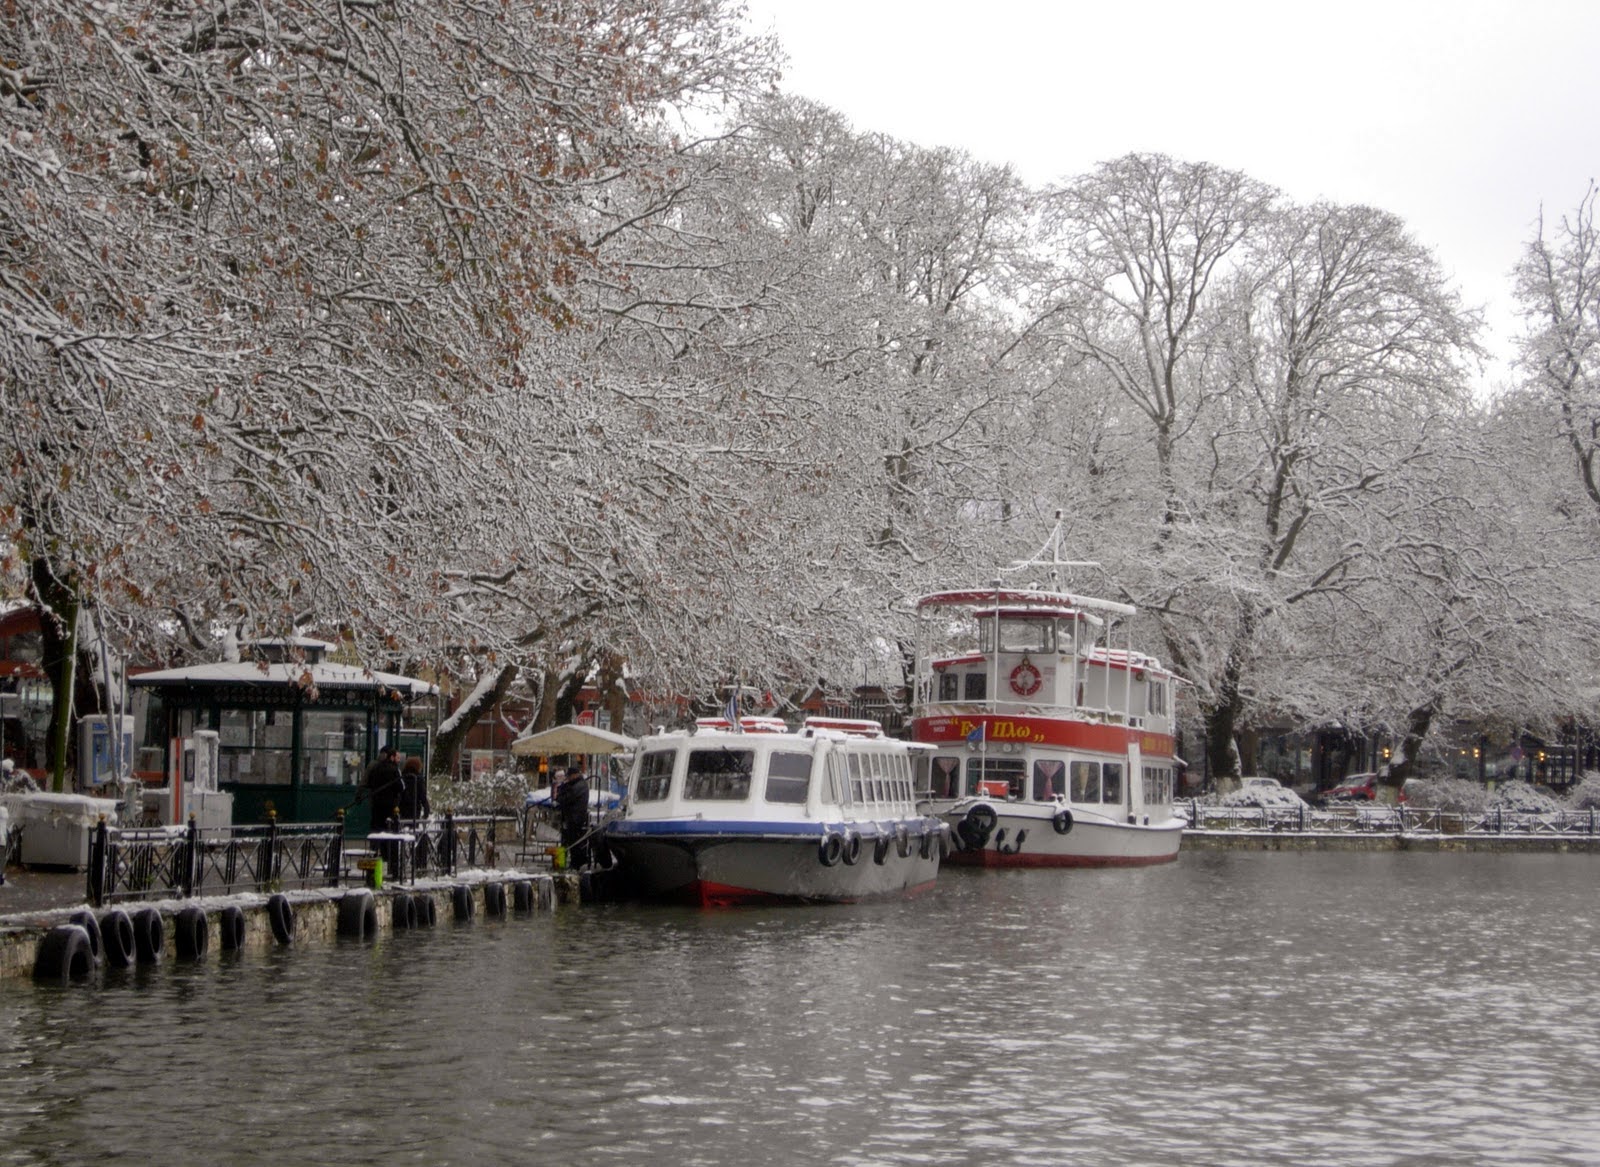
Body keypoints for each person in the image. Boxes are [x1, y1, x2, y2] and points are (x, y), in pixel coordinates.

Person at [362, 745, 403, 831]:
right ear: (392, 757)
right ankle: (387, 843)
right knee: (389, 827)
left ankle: (376, 843)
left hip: (376, 802)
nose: (399, 760)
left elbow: (369, 783)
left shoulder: (376, 767)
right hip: (390, 804)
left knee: (377, 827)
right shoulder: (395, 770)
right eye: (397, 758)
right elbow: (400, 787)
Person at [555, 768, 591, 869]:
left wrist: (562, 789)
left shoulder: (579, 786)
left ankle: (574, 864)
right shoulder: (577, 785)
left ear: (575, 775)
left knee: (573, 842)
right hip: (572, 818)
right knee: (567, 841)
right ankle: (562, 863)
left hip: (575, 818)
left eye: (569, 776)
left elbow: (565, 798)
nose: (568, 779)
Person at [399, 755, 430, 821]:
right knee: (413, 827)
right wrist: (426, 809)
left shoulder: (402, 776)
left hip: (402, 807)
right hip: (414, 808)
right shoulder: (418, 779)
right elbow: (422, 796)